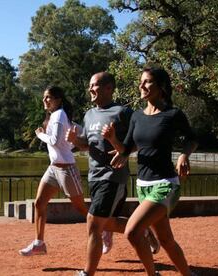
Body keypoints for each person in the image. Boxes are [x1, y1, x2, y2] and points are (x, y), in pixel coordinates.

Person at [101, 67, 198, 276]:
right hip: (143, 185)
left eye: (147, 82)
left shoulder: (172, 114)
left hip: (165, 184)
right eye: (141, 82)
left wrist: (184, 155)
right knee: (166, 240)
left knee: (133, 232)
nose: (141, 86)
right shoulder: (137, 116)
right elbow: (126, 149)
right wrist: (112, 140)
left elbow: (192, 138)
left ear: (161, 86)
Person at [66, 72, 159, 276]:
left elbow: (140, 139)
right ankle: (143, 230)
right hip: (94, 177)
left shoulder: (123, 112)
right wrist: (75, 140)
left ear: (109, 88)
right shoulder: (89, 114)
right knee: (107, 222)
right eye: (90, 85)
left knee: (93, 223)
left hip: (113, 177)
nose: (90, 89)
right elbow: (86, 146)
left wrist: (123, 151)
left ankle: (87, 273)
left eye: (95, 85)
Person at [19, 86, 112, 256]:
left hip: (67, 170)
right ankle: (39, 243)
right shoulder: (56, 116)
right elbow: (66, 141)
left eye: (49, 97)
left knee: (83, 209)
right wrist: (72, 142)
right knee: (39, 203)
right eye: (44, 97)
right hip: (53, 168)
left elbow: (54, 141)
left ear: (58, 99)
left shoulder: (60, 114)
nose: (45, 100)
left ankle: (105, 229)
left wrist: (40, 135)